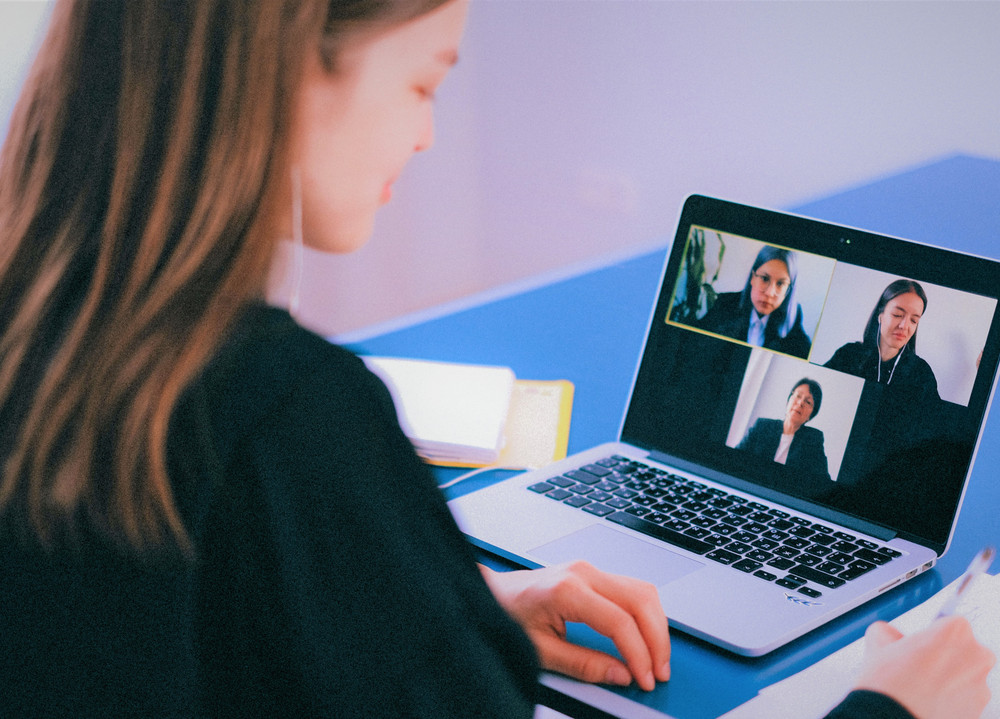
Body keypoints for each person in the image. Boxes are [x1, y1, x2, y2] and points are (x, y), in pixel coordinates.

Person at [0, 1, 990, 718]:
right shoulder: (293, 417)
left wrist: (442, 606)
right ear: (295, 58)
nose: (429, 134)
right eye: (425, 80)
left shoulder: (47, 330)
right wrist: (886, 710)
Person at [824, 279, 939, 401]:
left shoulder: (921, 373)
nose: (904, 326)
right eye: (897, 315)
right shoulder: (848, 355)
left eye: (914, 320)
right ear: (880, 315)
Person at [697, 245, 813, 359]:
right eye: (764, 278)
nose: (770, 292)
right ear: (753, 278)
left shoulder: (792, 319)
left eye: (780, 284)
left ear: (788, 290)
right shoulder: (726, 304)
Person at [737, 378, 832, 491]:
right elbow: (736, 458)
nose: (800, 403)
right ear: (788, 401)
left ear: (810, 416)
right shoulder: (762, 426)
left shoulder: (812, 439)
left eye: (808, 402)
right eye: (797, 396)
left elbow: (823, 483)